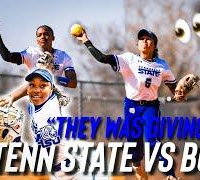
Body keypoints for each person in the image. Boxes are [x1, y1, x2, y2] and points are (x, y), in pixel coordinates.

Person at [73, 28, 180, 180]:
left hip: (151, 107)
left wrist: (179, 93)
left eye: (149, 39)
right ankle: (137, 166)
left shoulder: (162, 65)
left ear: (155, 45)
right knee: (134, 147)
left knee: (153, 142)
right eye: (142, 38)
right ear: (137, 44)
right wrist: (86, 41)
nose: (145, 41)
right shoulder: (128, 59)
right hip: (132, 107)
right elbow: (103, 58)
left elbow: (174, 88)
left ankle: (170, 175)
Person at [0, 68, 78, 179]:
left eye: (42, 86)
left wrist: (16, 142)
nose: (36, 90)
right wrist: (12, 96)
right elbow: (30, 87)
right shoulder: (46, 97)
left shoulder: (47, 117)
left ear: (50, 88)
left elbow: (41, 157)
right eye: (32, 85)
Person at [0, 24, 77, 88]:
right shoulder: (30, 53)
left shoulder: (63, 56)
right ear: (36, 40)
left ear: (53, 38)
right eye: (39, 35)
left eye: (46, 34)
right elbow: (7, 56)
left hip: (55, 100)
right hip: (36, 99)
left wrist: (51, 78)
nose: (42, 37)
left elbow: (73, 83)